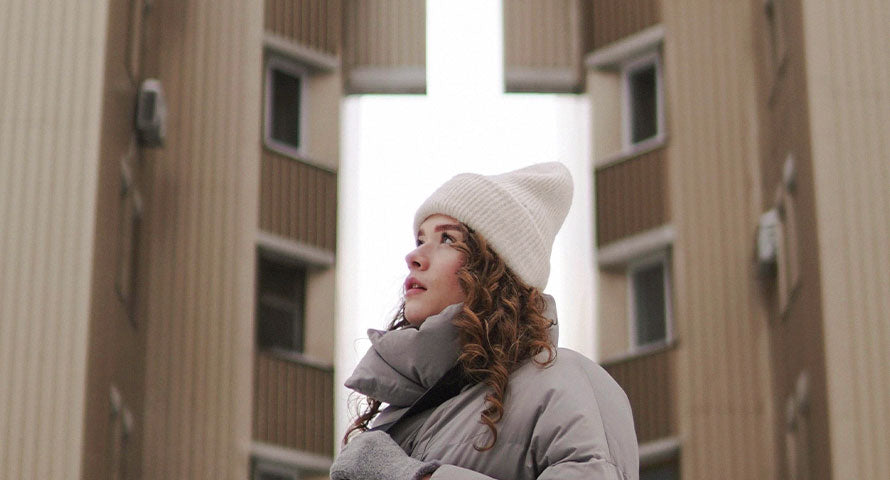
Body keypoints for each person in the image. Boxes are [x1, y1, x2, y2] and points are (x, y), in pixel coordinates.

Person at [331, 163, 638, 480]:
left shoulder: (563, 382)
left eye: (448, 239)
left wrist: (414, 477)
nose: (415, 255)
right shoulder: (399, 415)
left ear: (496, 268)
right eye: (420, 240)